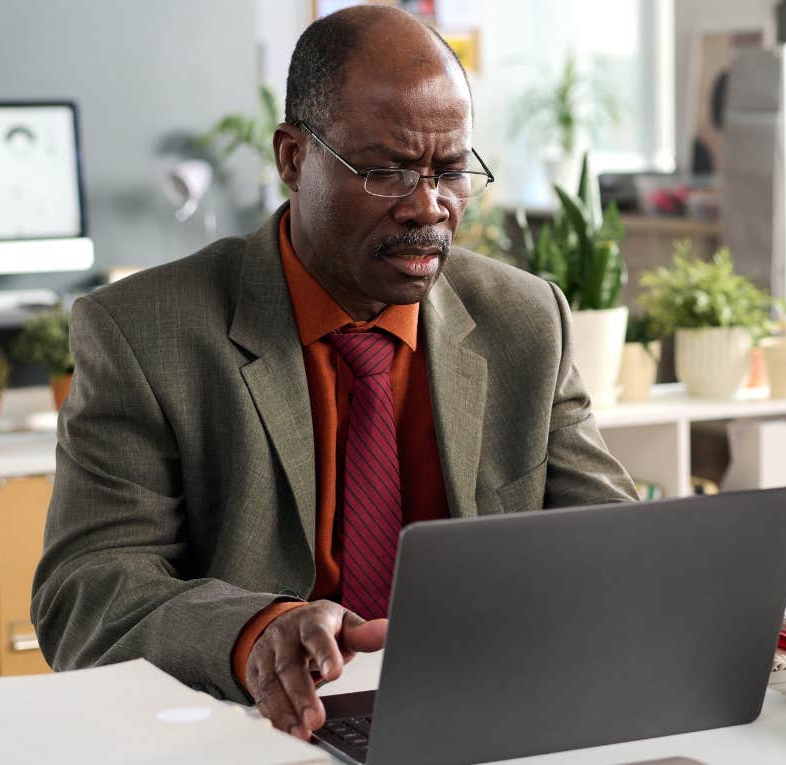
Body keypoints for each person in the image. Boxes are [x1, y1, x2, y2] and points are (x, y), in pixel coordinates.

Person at [32, 5, 636, 741]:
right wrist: (255, 631)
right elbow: (85, 592)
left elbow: (619, 547)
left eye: (451, 171)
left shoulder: (527, 320)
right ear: (293, 158)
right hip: (247, 730)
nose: (429, 206)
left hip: (484, 717)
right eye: (387, 171)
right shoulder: (144, 330)